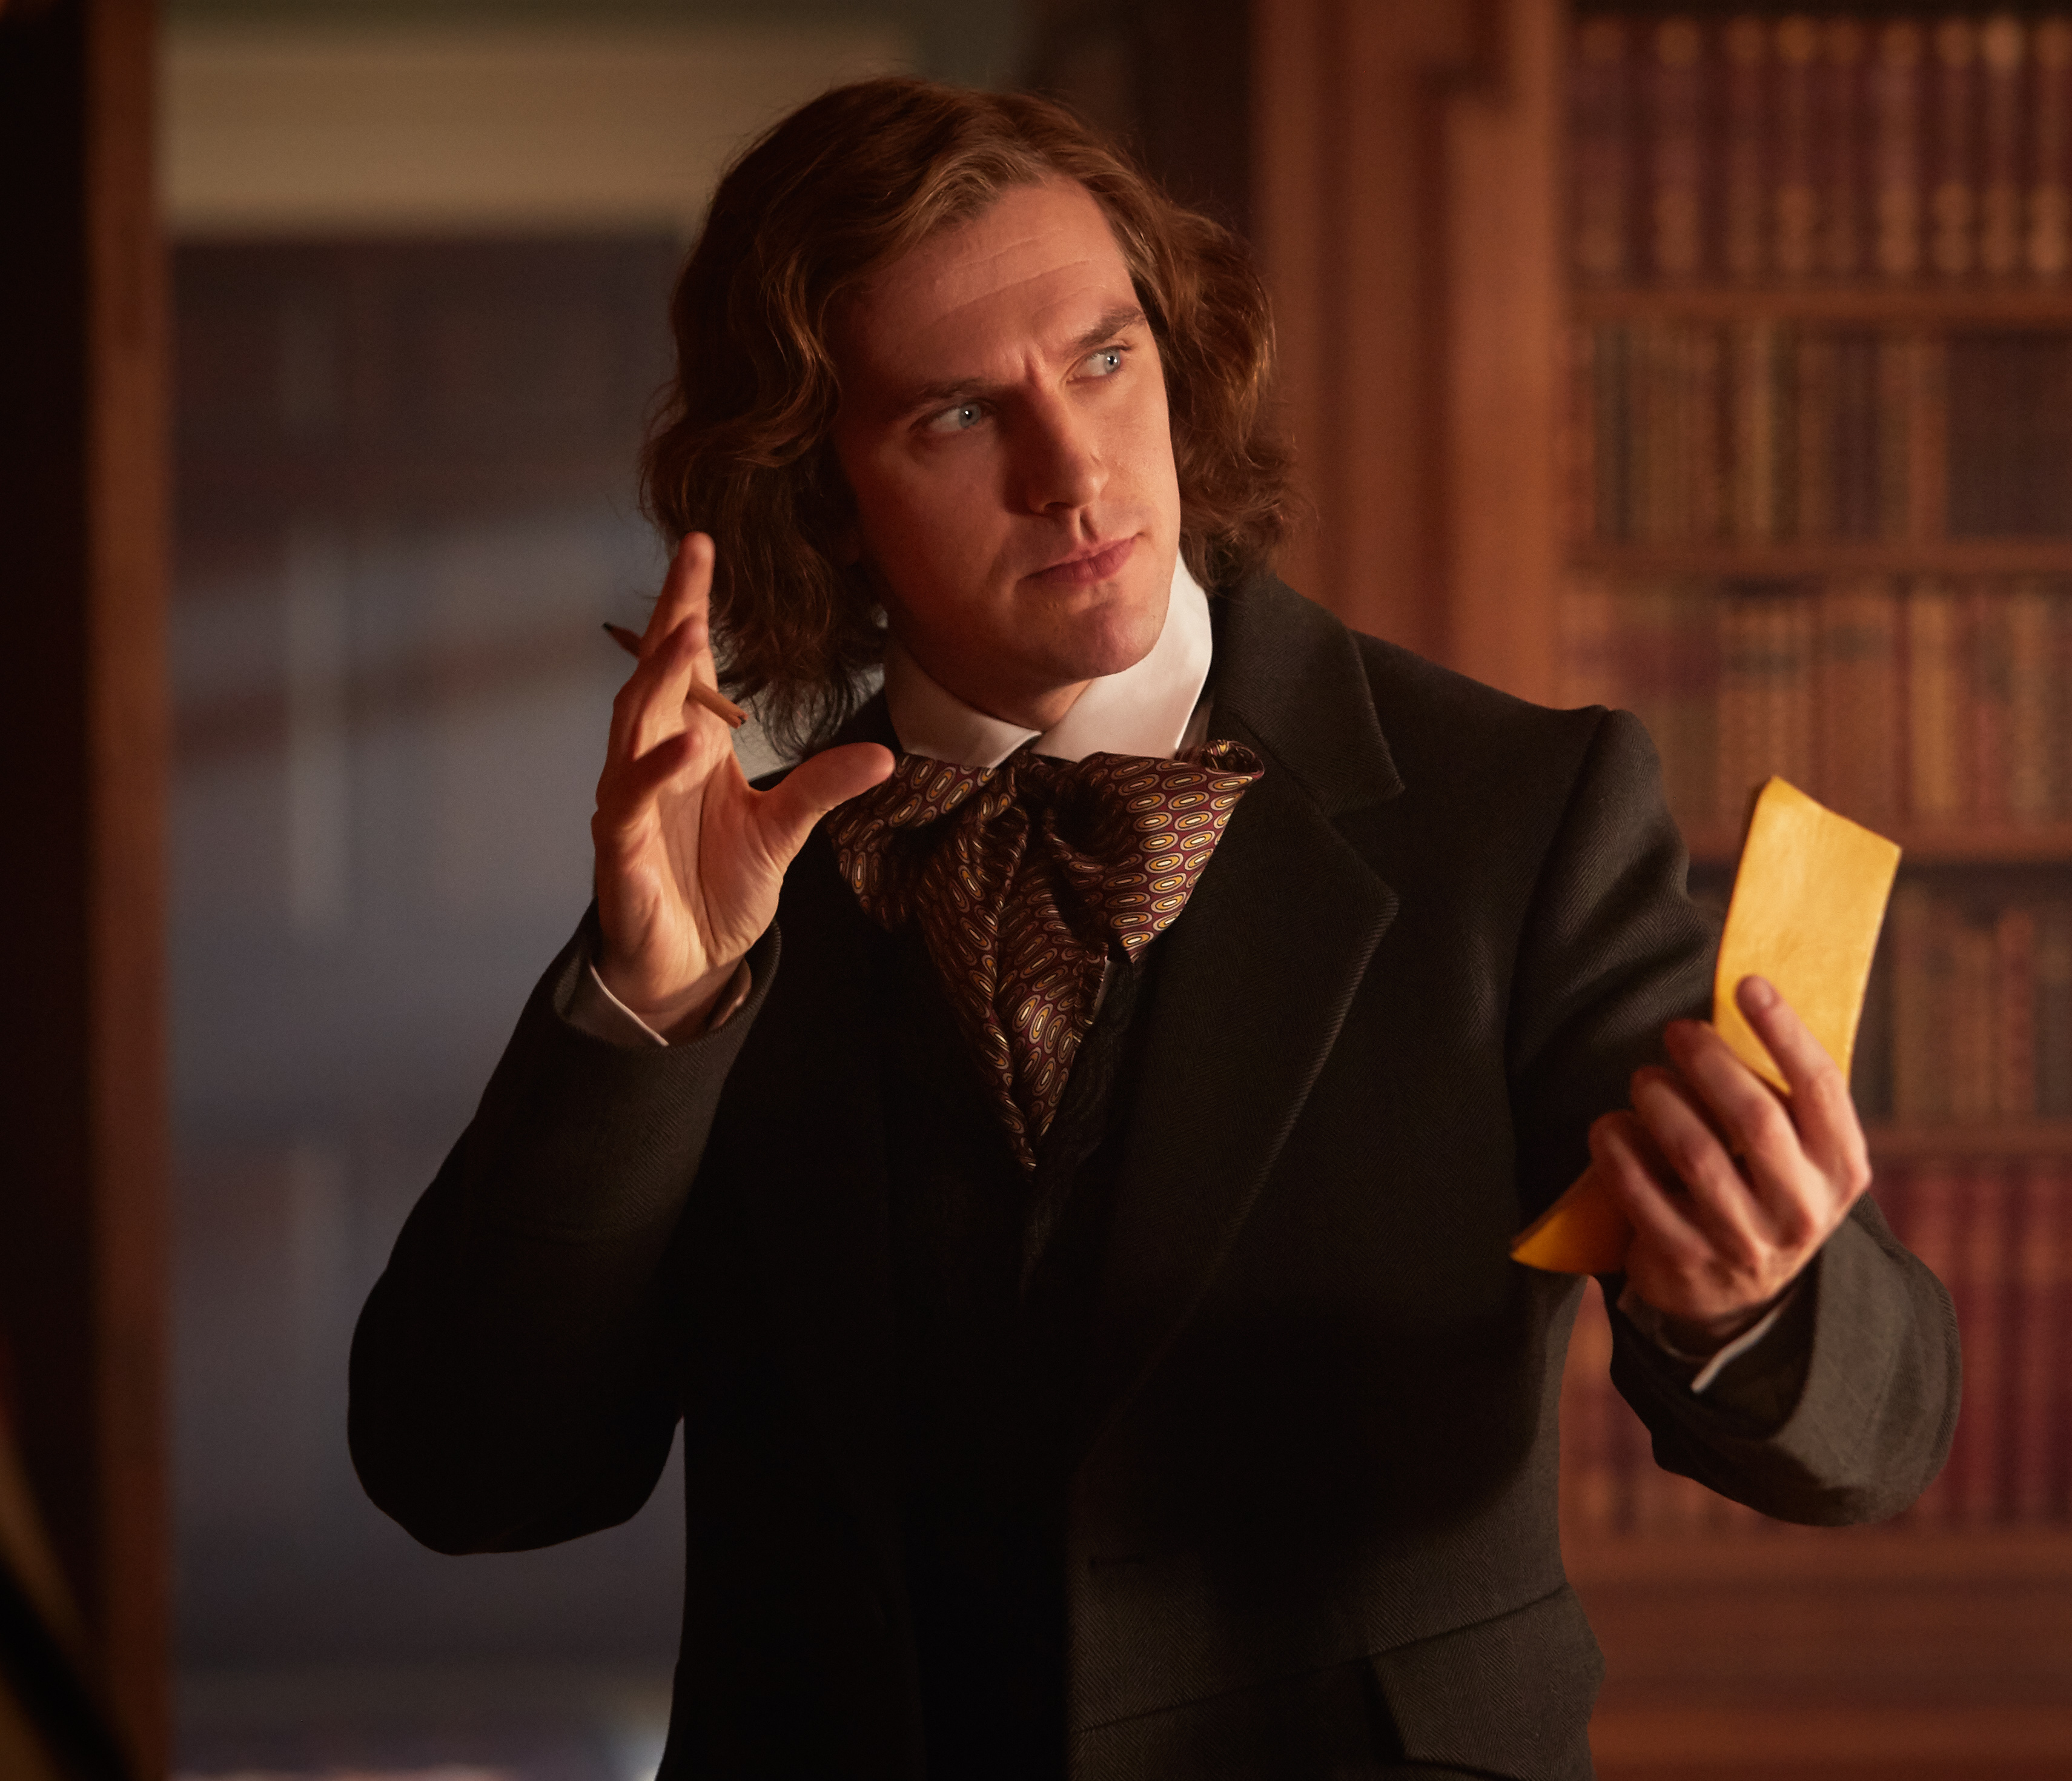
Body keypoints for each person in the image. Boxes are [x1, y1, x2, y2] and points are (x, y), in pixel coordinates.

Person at [348, 77, 1958, 1780]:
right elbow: (467, 1474)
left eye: (1105, 359)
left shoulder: (1522, 812)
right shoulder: (728, 885)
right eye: (959, 413)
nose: (1072, 470)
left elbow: (1874, 1439)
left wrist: (1758, 1297)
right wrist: (647, 1011)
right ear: (817, 496)